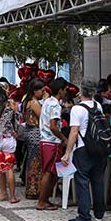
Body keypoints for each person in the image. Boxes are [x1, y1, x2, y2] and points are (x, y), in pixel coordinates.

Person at [61, 85, 107, 221]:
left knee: (82, 181)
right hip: (99, 148)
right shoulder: (98, 105)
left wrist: (67, 153)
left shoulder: (77, 109)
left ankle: (84, 216)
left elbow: (74, 132)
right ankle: (99, 213)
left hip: (83, 148)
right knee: (98, 180)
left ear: (81, 93)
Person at [36, 78, 68, 211]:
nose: (66, 92)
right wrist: (64, 138)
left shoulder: (47, 101)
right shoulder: (55, 105)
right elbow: (54, 127)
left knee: (52, 172)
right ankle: (42, 201)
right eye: (65, 89)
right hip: (52, 142)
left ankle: (45, 199)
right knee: (49, 172)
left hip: (44, 140)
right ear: (60, 91)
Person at [21, 79, 45, 200]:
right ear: (35, 91)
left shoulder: (27, 101)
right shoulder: (34, 103)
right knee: (35, 162)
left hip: (29, 133)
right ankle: (34, 188)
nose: (43, 92)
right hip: (35, 133)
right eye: (41, 90)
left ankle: (33, 188)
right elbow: (43, 117)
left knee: (31, 161)